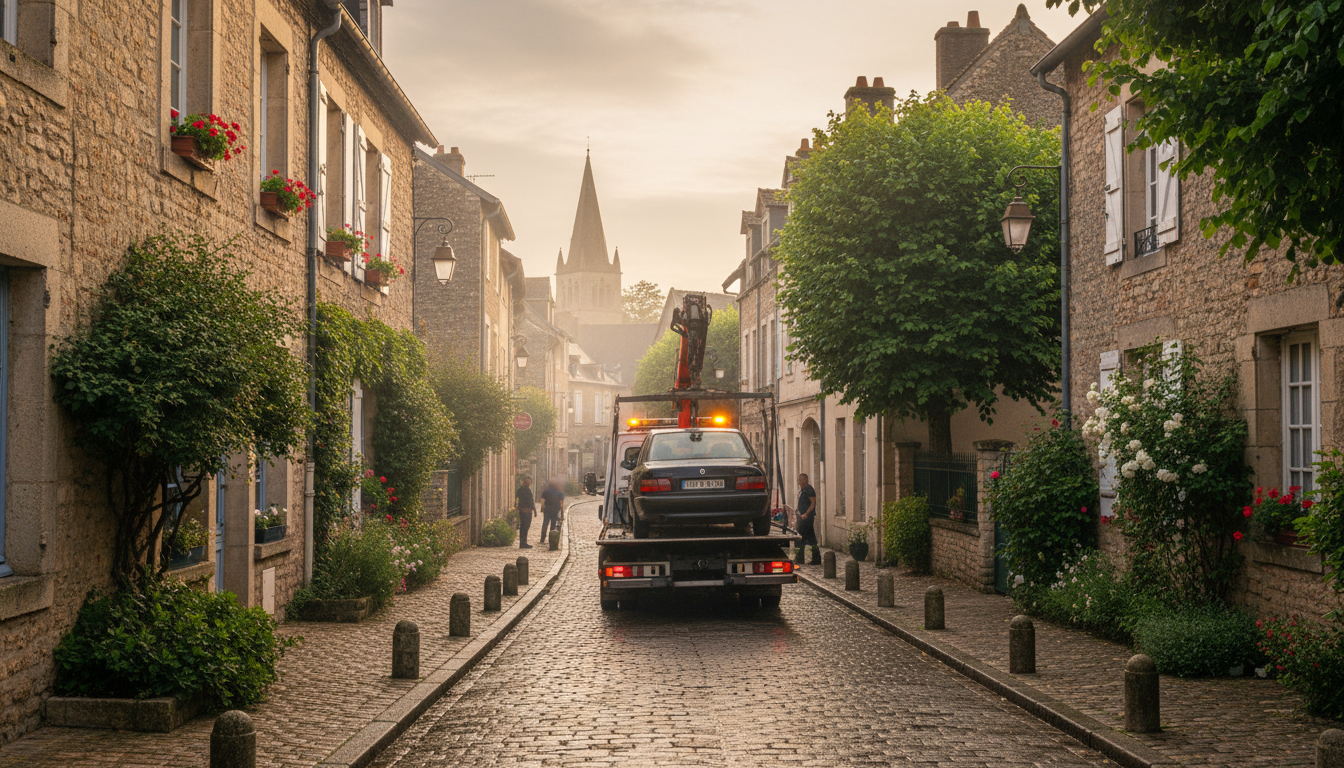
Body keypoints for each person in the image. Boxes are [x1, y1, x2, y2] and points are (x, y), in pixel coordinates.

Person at [795, 473, 820, 566]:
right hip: (802, 517)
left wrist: (806, 514)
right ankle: (816, 558)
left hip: (807, 518)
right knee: (810, 538)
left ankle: (800, 558)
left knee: (801, 537)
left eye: (801, 480)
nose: (799, 482)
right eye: (798, 480)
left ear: (805, 480)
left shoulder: (809, 490)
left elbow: (812, 504)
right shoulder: (803, 490)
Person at [539, 479, 565, 543]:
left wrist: (542, 509)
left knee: (545, 523)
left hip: (547, 510)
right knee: (553, 524)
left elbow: (543, 502)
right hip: (555, 510)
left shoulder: (545, 492)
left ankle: (542, 538)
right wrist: (562, 514)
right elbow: (561, 505)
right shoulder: (560, 493)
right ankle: (551, 539)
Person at [515, 476, 535, 548]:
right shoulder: (524, 490)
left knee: (524, 527)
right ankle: (523, 543)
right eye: (528, 482)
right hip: (525, 511)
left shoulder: (522, 489)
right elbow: (530, 501)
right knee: (524, 527)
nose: (529, 483)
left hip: (525, 511)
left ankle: (523, 542)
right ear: (525, 482)